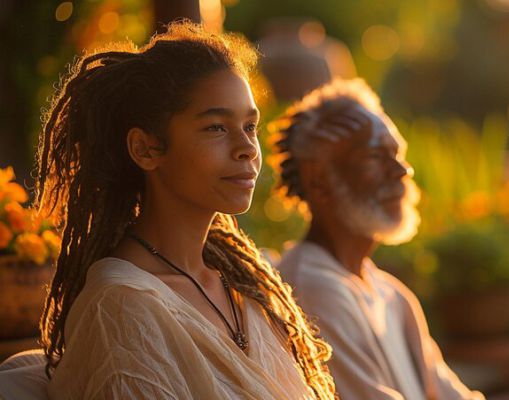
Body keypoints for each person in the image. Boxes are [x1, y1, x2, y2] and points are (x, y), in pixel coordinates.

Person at [35, 21, 335, 400]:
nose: (246, 148)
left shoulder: (240, 286)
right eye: (215, 127)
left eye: (250, 126)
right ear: (146, 149)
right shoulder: (123, 307)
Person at [270, 78, 484, 400]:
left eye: (397, 154)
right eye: (374, 157)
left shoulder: (391, 294)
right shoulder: (312, 289)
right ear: (319, 180)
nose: (402, 171)